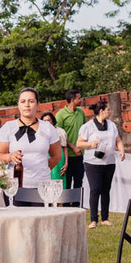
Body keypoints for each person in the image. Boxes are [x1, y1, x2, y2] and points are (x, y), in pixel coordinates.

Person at [0, 88, 62, 190]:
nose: (27, 105)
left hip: (42, 186)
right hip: (13, 186)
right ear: (18, 105)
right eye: (23, 101)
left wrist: (42, 168)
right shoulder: (8, 127)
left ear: (38, 105)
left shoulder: (48, 128)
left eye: (31, 101)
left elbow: (56, 156)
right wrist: (10, 157)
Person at [76, 99, 125, 228]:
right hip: (92, 163)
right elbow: (79, 143)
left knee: (106, 190)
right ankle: (93, 220)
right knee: (95, 189)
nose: (110, 111)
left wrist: (121, 150)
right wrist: (90, 144)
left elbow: (118, 140)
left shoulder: (112, 125)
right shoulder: (88, 126)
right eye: (108, 109)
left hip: (109, 162)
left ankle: (105, 218)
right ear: (101, 111)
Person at [55, 89, 87, 190]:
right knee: (67, 183)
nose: (81, 100)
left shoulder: (81, 113)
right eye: (79, 98)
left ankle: (77, 200)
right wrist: (73, 147)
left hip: (79, 155)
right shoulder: (60, 115)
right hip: (67, 156)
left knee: (79, 182)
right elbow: (58, 135)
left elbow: (85, 131)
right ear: (72, 100)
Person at [42, 111, 67, 184]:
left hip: (58, 158)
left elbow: (64, 148)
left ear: (52, 120)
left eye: (48, 120)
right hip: (45, 157)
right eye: (44, 121)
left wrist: (66, 163)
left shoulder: (60, 131)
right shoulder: (40, 132)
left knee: (58, 180)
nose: (46, 122)